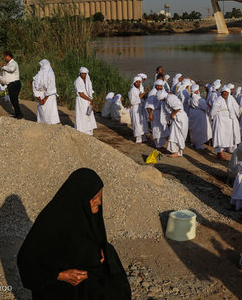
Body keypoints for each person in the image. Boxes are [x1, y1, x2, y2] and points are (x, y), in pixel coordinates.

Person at [17, 168, 131, 300]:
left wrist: (103, 252)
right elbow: (26, 260)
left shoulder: (85, 216)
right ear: (80, 198)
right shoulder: (52, 222)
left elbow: (88, 242)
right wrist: (60, 275)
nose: (99, 202)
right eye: (94, 197)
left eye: (100, 196)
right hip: (59, 289)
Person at [210, 87, 236, 160]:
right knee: (219, 136)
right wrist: (212, 118)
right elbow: (213, 110)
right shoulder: (218, 100)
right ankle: (219, 154)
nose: (225, 94)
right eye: (224, 92)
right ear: (221, 93)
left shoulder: (228, 100)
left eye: (227, 92)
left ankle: (221, 153)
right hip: (219, 120)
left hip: (226, 120)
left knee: (224, 137)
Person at [32, 59, 60, 125]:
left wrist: (45, 98)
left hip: (49, 96)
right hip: (40, 95)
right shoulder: (38, 75)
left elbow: (51, 87)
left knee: (50, 113)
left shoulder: (50, 74)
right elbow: (34, 85)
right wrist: (39, 98)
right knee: (42, 113)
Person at [164, 91, 188, 157]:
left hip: (178, 118)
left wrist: (172, 114)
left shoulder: (169, 99)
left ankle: (175, 152)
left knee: (175, 135)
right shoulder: (171, 96)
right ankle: (178, 152)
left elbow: (177, 107)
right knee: (178, 135)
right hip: (181, 118)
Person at [74, 67, 97, 136]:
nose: (83, 75)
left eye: (85, 74)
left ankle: (89, 131)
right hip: (81, 101)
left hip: (87, 100)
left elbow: (90, 92)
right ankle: (82, 130)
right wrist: (90, 99)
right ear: (80, 73)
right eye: (82, 73)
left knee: (88, 115)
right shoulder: (77, 81)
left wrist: (91, 102)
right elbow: (81, 94)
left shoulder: (88, 81)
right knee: (82, 115)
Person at [0, 51, 23, 119]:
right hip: (10, 84)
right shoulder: (8, 64)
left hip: (14, 83)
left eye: (5, 56)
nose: (4, 58)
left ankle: (19, 114)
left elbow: (12, 69)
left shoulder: (13, 63)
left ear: (8, 56)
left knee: (14, 99)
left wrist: (4, 67)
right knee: (13, 100)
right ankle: (17, 113)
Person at [188, 84, 211, 149]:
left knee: (193, 128)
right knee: (199, 129)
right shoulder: (198, 98)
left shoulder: (190, 97)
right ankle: (199, 144)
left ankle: (193, 142)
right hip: (199, 114)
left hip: (192, 113)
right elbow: (205, 107)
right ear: (196, 91)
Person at [128, 76, 148, 143]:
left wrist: (144, 94)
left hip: (140, 107)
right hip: (135, 108)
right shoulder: (132, 91)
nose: (138, 83)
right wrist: (143, 94)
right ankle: (138, 139)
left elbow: (141, 98)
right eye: (137, 82)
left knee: (143, 123)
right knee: (137, 123)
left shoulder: (138, 89)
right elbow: (132, 101)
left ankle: (144, 138)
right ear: (134, 82)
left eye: (139, 82)